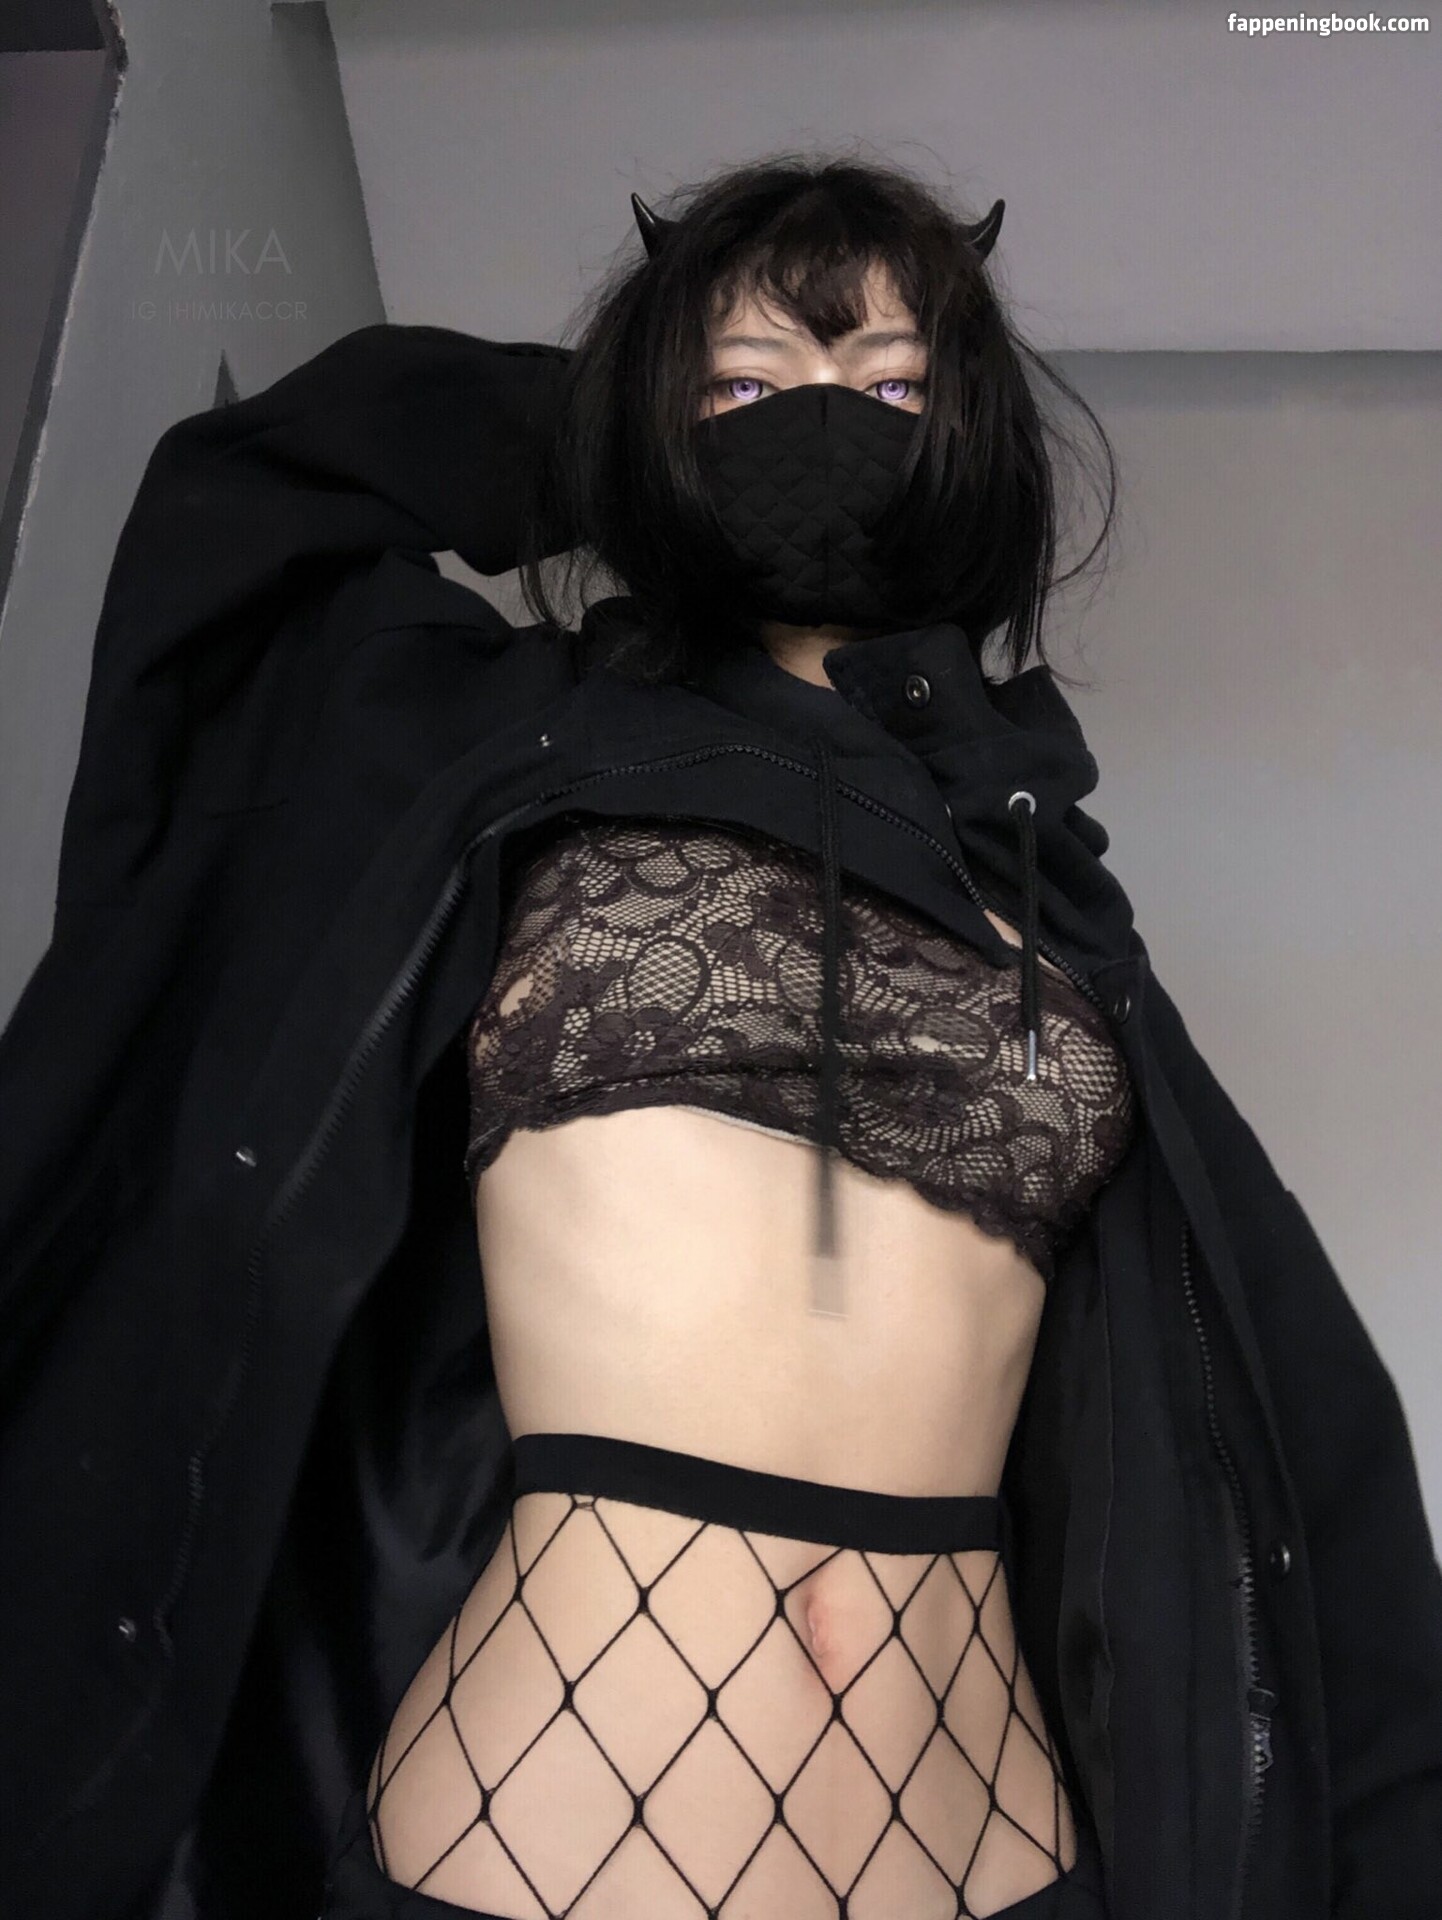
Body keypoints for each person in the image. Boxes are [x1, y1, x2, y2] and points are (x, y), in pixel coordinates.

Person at [1, 154, 1438, 1920]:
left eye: (893, 388)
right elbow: (260, 493)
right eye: (748, 387)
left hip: (1000, 1859)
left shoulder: (1041, 888)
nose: (822, 422)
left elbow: (1266, 1415)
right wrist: (638, 433)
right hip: (561, 1841)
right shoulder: (499, 734)